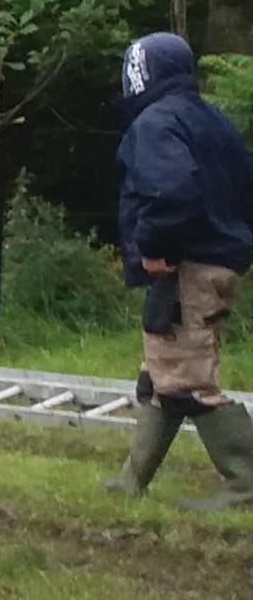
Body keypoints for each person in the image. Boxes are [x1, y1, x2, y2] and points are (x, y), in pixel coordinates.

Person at [104, 31, 253, 510]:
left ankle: (246, 482)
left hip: (187, 264)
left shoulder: (155, 122)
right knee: (161, 370)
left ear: (140, 73)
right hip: (219, 260)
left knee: (188, 380)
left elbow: (171, 192)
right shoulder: (213, 120)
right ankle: (132, 479)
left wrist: (155, 248)